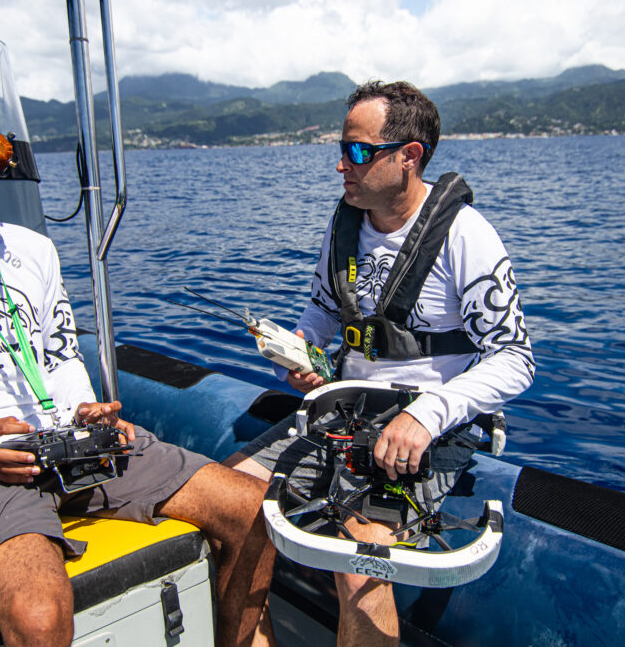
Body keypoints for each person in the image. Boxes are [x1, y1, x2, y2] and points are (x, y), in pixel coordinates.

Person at [0, 92, 276, 647]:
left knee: (254, 510)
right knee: (39, 615)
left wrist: (83, 408)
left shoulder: (33, 251)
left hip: (71, 446)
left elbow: (57, 357)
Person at [226, 81, 535, 645]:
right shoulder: (344, 225)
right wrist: (294, 357)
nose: (342, 164)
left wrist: (429, 415)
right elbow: (318, 318)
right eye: (341, 149)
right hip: (341, 413)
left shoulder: (467, 237)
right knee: (226, 500)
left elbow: (514, 358)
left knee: (360, 560)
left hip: (428, 426)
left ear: (408, 156)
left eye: (358, 151)